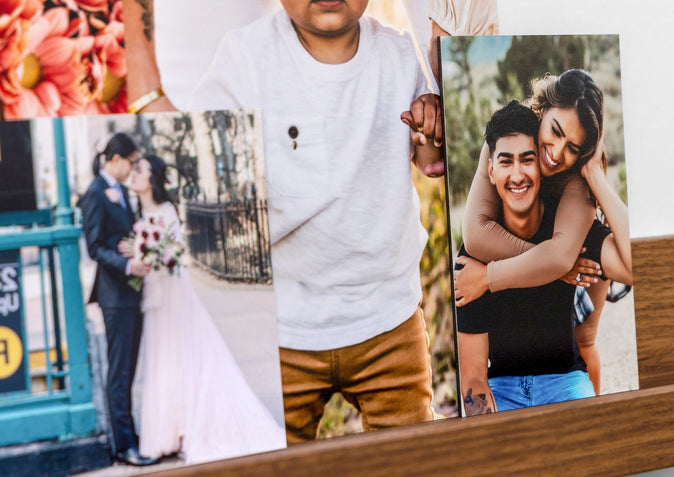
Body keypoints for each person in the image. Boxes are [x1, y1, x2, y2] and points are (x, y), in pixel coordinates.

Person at [191, 0, 444, 442]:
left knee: (413, 454)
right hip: (281, 326)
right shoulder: (244, 58)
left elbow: (432, 157)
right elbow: (207, 173)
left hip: (387, 318)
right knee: (268, 453)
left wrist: (431, 128)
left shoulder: (400, 55)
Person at [454, 69, 632, 394]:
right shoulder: (509, 136)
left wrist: (594, 173)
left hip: (575, 243)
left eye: (574, 147)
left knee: (583, 341)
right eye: (555, 131)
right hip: (548, 245)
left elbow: (580, 256)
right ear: (543, 108)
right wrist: (552, 263)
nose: (557, 152)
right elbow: (476, 235)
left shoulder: (578, 175)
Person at [125, 155, 286, 463]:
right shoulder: (136, 211)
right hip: (152, 294)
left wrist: (156, 253)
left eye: (140, 170)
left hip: (173, 291)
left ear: (152, 178)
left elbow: (174, 250)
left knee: (182, 354)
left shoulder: (166, 209)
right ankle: (168, 431)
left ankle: (189, 427)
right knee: (162, 356)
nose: (134, 175)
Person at [78, 134, 159, 467]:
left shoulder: (123, 192)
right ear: (115, 158)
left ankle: (131, 436)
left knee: (128, 370)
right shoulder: (95, 193)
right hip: (115, 297)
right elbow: (95, 246)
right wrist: (128, 264)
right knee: (119, 372)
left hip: (133, 293)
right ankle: (124, 445)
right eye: (130, 160)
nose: (131, 167)